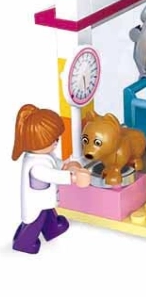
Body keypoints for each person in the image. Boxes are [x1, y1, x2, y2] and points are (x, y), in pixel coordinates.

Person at [11, 104, 91, 254]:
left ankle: (52, 229)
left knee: (47, 212)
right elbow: (52, 175)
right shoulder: (36, 165)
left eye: (56, 139)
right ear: (36, 141)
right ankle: (24, 243)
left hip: (45, 199)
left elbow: (55, 163)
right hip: (36, 202)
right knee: (35, 221)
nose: (56, 143)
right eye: (52, 140)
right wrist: (73, 178)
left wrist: (67, 164)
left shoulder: (44, 155)